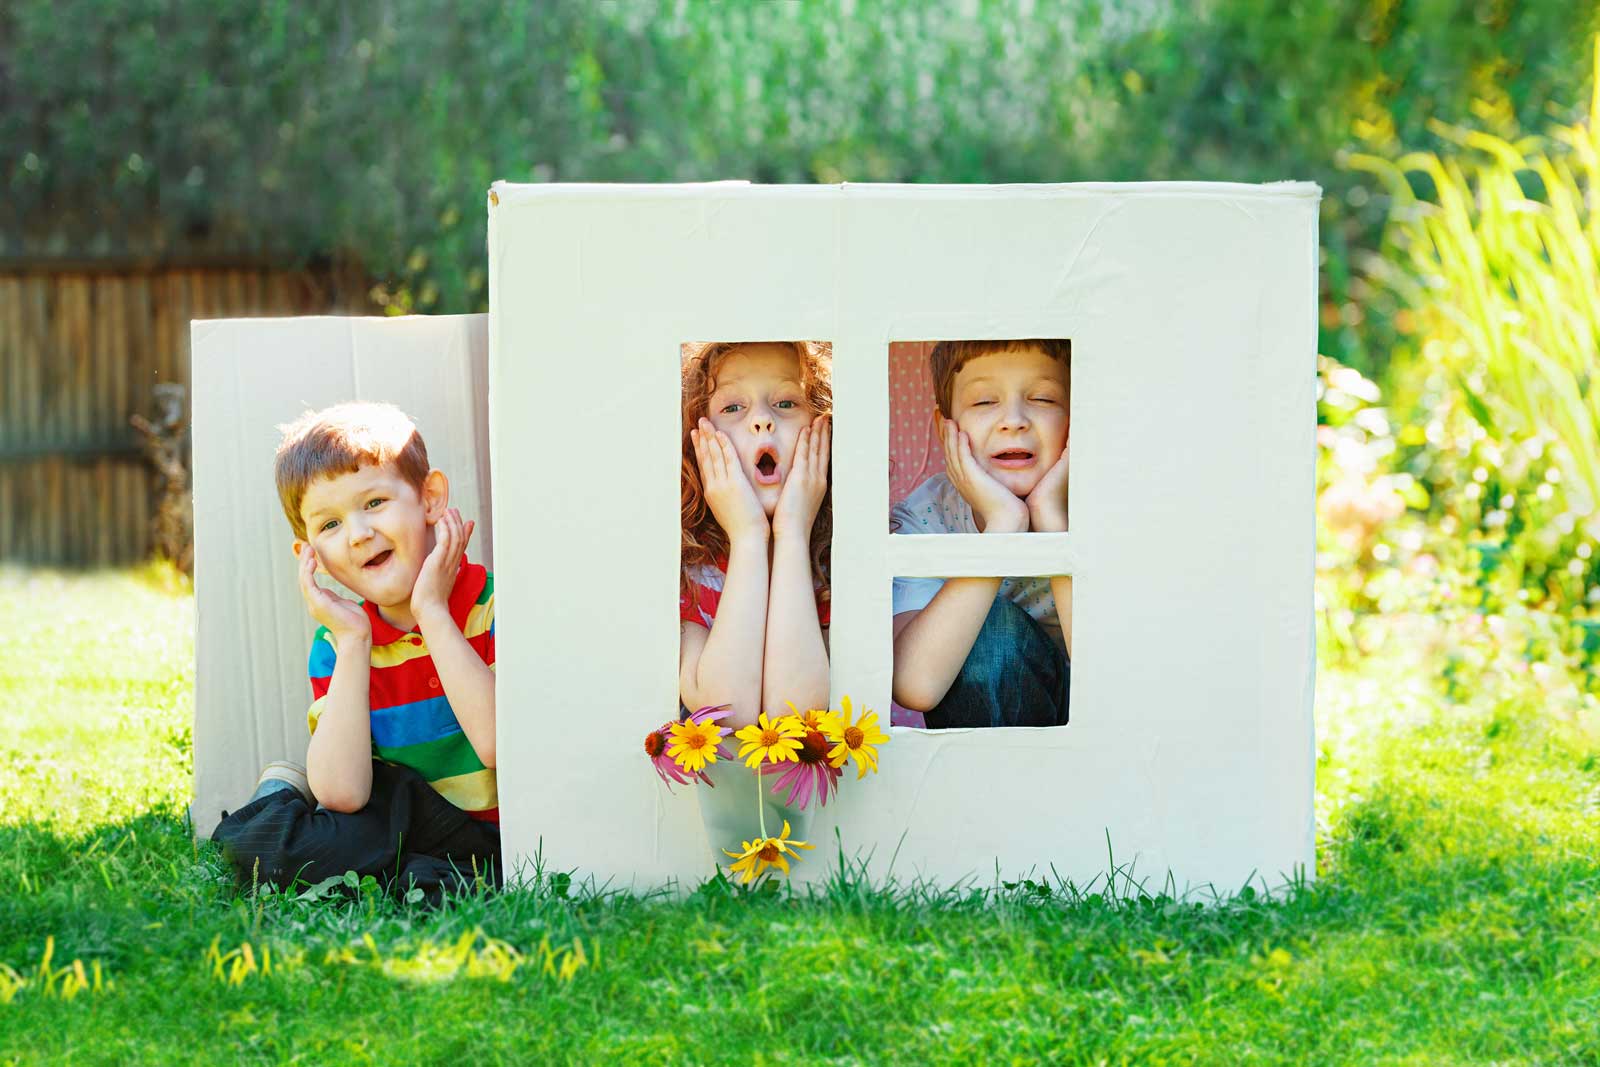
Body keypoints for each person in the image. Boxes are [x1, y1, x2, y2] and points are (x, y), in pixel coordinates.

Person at [210, 402, 499, 901]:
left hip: (488, 836)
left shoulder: (491, 606)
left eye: (374, 503)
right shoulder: (339, 642)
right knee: (267, 851)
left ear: (429, 499)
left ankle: (409, 875)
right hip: (394, 812)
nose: (359, 534)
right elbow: (344, 795)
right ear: (311, 556)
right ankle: (280, 797)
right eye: (329, 526)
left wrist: (432, 612)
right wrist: (352, 642)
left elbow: (501, 746)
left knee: (434, 888)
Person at [890, 339, 1073, 729]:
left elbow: (1119, 679)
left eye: (1043, 398)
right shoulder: (927, 517)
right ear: (945, 429)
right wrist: (1003, 527)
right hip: (984, 747)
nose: (1014, 420)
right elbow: (914, 684)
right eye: (984, 402)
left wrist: (1054, 523)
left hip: (1094, 730)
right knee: (988, 633)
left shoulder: (1110, 510)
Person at [678, 341, 832, 730]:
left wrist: (794, 532)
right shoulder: (686, 572)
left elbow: (794, 717)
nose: (762, 420)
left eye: (786, 403)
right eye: (732, 408)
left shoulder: (838, 568)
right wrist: (748, 536)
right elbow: (727, 714)